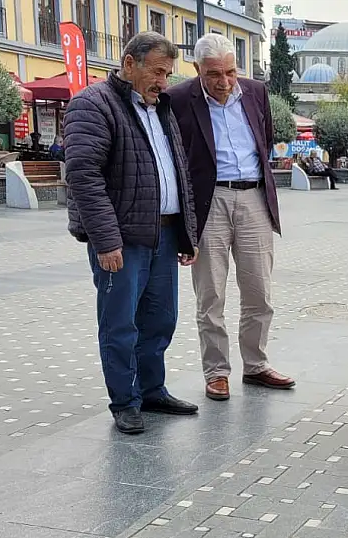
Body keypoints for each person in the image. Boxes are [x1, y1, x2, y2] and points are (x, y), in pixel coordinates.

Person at [64, 32, 200, 434]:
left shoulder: (161, 108)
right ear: (129, 63)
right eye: (157, 71)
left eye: (168, 74)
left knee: (161, 319)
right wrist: (106, 241)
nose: (163, 81)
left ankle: (152, 390)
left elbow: (178, 172)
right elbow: (84, 178)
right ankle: (125, 401)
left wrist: (187, 233)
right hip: (122, 240)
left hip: (164, 235)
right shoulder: (93, 104)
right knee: (120, 324)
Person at [167, 32, 294, 401]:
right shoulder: (178, 98)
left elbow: (264, 140)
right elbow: (176, 157)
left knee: (259, 292)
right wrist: (183, 225)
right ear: (197, 69)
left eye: (230, 72)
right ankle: (217, 372)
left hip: (254, 197)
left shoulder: (256, 92)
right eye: (213, 74)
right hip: (210, 202)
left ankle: (256, 365)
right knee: (211, 295)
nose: (224, 82)